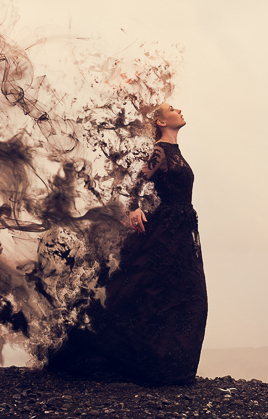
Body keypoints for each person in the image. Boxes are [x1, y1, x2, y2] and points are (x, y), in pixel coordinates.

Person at [46, 102, 208, 385]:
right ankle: (151, 364)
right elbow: (137, 183)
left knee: (185, 294)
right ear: (160, 121)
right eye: (172, 107)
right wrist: (134, 208)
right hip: (168, 229)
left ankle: (171, 365)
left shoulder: (174, 151)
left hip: (181, 229)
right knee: (158, 292)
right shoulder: (160, 151)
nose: (180, 109)